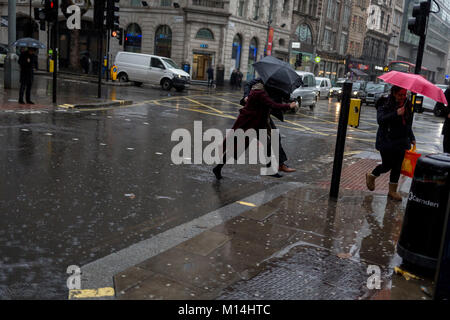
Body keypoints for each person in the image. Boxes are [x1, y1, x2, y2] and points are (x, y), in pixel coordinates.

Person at [213, 82, 297, 179]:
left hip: (257, 124)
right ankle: (218, 168)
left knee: (268, 144)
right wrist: (288, 106)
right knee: (236, 148)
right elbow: (272, 104)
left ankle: (269, 170)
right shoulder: (260, 94)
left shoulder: (261, 93)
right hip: (248, 125)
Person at [366, 85, 416, 201]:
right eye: (400, 95)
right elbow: (381, 120)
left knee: (397, 167)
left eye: (404, 95)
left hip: (401, 141)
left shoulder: (407, 105)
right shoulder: (384, 103)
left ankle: (392, 191)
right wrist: (396, 113)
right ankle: (371, 176)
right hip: (386, 140)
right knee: (387, 165)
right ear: (394, 93)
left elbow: (407, 124)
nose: (402, 97)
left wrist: (412, 137)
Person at [241, 77, 297, 173]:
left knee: (273, 138)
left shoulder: (279, 85)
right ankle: (276, 166)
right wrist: (246, 96)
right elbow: (248, 85)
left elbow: (283, 96)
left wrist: (291, 100)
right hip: (256, 116)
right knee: (241, 143)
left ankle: (277, 165)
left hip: (263, 114)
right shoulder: (263, 81)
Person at [440, 83, 450, 153]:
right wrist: (448, 112)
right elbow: (441, 104)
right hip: (449, 126)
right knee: (447, 150)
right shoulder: (448, 91)